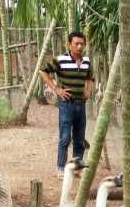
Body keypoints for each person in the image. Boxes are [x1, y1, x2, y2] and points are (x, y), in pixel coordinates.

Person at [40, 31, 95, 177]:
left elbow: (91, 77)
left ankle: (77, 168)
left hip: (81, 105)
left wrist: (88, 91)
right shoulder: (61, 60)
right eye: (76, 43)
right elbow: (43, 71)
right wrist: (56, 89)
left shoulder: (87, 61)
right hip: (66, 105)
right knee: (65, 137)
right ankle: (60, 168)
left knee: (79, 138)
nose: (79, 46)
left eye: (82, 44)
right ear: (69, 44)